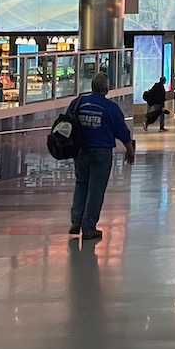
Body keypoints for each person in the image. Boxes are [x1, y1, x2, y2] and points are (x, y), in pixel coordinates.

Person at [70, 72, 135, 241]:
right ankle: (89, 226)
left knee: (81, 183)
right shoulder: (110, 108)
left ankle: (76, 220)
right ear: (107, 89)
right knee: (96, 189)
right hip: (101, 151)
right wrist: (129, 149)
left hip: (81, 151)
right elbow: (122, 131)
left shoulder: (78, 103)